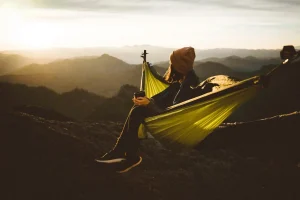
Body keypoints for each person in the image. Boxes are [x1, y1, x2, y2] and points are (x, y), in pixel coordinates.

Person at [96, 47, 200, 173]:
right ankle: (122, 151)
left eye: (172, 63)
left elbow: (176, 113)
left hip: (177, 124)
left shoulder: (188, 84)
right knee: (138, 108)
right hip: (168, 115)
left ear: (179, 67)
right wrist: (145, 100)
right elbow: (161, 98)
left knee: (138, 111)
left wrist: (149, 104)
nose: (170, 66)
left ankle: (127, 155)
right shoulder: (180, 80)